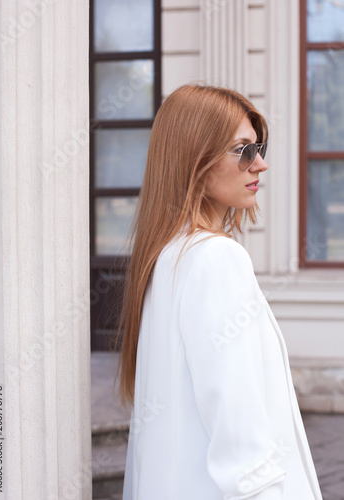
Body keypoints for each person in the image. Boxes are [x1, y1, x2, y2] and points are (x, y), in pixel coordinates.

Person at [116, 84, 323, 499]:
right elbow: (240, 432)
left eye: (259, 148)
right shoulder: (216, 260)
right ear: (195, 159)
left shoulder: (166, 259)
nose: (260, 164)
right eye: (243, 150)